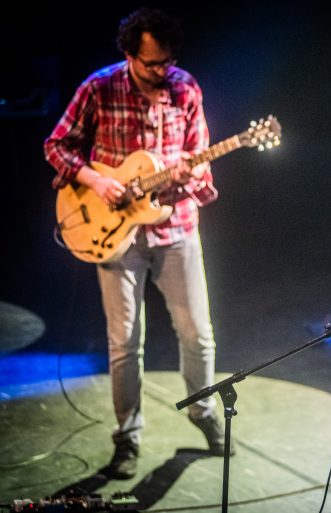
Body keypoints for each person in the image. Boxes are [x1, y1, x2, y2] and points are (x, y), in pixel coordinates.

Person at [43, 8, 232, 480]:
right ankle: (127, 438)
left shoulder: (185, 88)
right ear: (129, 54)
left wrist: (192, 174)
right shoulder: (99, 87)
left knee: (198, 334)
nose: (159, 72)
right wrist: (94, 180)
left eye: (166, 62)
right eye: (150, 63)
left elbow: (202, 172)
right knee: (125, 342)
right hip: (112, 233)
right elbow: (57, 145)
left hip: (175, 228)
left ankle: (203, 413)